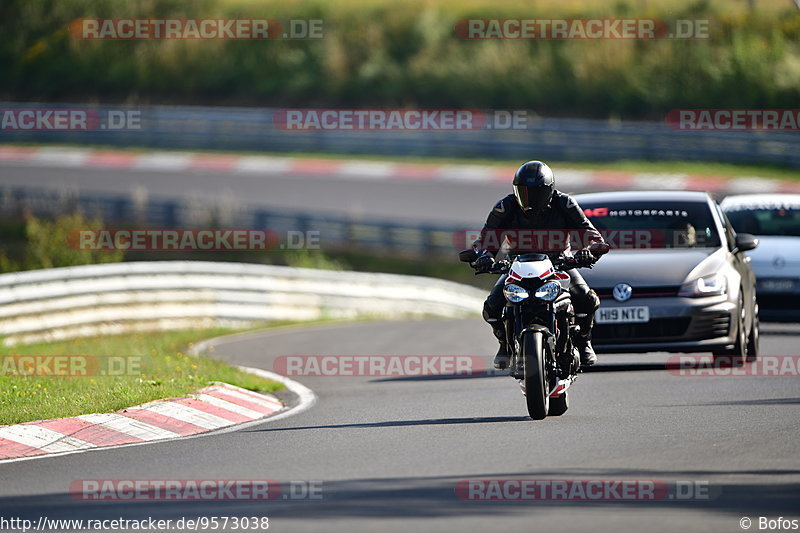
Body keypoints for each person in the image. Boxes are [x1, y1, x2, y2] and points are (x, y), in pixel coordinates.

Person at [472, 161, 607, 369]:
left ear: (548, 191)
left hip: (559, 262)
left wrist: (589, 251)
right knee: (492, 306)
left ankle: (583, 340)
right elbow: (486, 239)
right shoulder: (505, 206)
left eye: (534, 193)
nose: (529, 198)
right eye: (523, 192)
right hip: (517, 264)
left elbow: (590, 233)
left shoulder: (565, 203)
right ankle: (504, 343)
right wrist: (482, 256)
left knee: (586, 298)